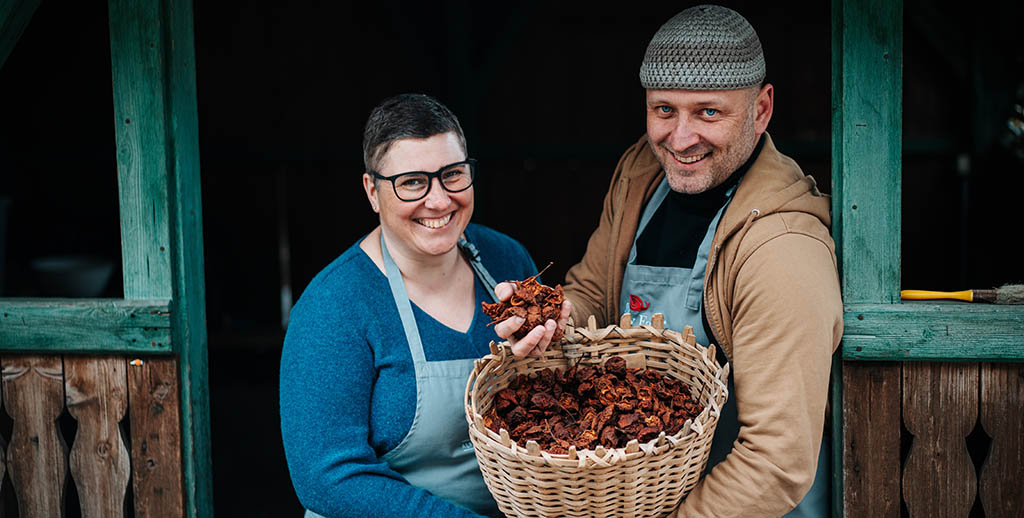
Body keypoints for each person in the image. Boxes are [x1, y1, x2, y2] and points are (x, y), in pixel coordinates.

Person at [497, 5, 843, 518]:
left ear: (762, 109)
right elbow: (595, 291)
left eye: (708, 112)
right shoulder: (642, 174)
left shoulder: (782, 251)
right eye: (664, 110)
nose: (679, 140)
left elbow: (776, 462)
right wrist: (553, 313)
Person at [279, 93, 568, 518]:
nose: (439, 200)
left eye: (453, 174)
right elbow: (328, 477)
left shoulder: (507, 260)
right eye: (412, 182)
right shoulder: (334, 307)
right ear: (372, 191)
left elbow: (550, 400)